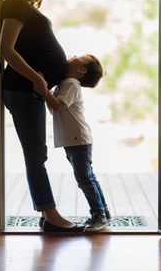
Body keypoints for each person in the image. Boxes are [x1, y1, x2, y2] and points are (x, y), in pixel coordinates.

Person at [0, 0, 84, 233]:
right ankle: (50, 215)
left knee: (38, 152)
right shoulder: (15, 4)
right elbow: (6, 49)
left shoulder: (25, 6)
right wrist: (37, 78)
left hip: (32, 91)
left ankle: (48, 214)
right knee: (35, 154)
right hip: (24, 90)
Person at [44, 54, 112, 231]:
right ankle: (103, 211)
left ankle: (99, 215)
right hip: (75, 139)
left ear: (81, 70)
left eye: (80, 57)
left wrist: (43, 90)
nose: (73, 56)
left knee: (84, 178)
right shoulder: (67, 83)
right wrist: (48, 94)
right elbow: (55, 109)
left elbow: (58, 106)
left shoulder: (72, 83)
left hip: (77, 139)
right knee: (88, 176)